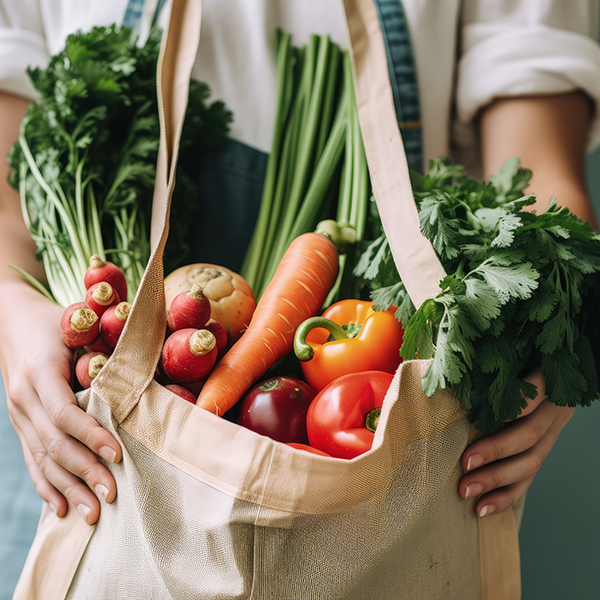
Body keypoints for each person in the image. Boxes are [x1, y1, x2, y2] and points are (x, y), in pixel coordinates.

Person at [1, 0, 599, 593]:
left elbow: (537, 173)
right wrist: (13, 304)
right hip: (82, 437)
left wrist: (560, 324)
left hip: (380, 413)